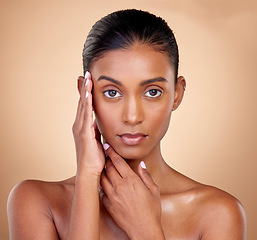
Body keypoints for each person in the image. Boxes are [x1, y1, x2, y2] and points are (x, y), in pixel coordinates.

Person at [7, 9, 246, 240]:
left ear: (177, 94)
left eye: (152, 92)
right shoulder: (36, 201)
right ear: (85, 94)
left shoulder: (218, 213)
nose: (132, 117)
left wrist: (146, 229)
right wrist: (88, 177)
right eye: (112, 92)